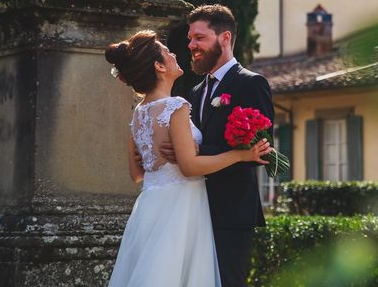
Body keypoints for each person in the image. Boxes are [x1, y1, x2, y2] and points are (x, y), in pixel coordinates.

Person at [105, 30, 271, 287]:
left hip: (149, 208)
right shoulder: (176, 106)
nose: (174, 54)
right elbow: (190, 166)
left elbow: (137, 174)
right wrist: (242, 154)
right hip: (180, 208)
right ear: (159, 66)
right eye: (166, 52)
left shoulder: (138, 113)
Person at [160, 4, 275, 287]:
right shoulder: (196, 92)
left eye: (199, 38)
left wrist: (192, 154)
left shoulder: (251, 84)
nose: (191, 45)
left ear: (224, 38)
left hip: (231, 212)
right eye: (190, 38)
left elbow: (261, 150)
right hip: (193, 207)